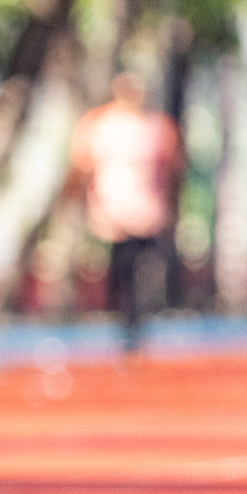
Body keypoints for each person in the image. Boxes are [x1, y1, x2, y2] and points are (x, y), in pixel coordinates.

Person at [68, 72, 182, 352]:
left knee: (141, 268)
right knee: (120, 269)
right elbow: (81, 166)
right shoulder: (99, 124)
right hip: (112, 212)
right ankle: (126, 319)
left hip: (145, 214)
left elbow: (173, 169)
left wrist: (170, 207)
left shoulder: (157, 126)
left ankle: (137, 321)